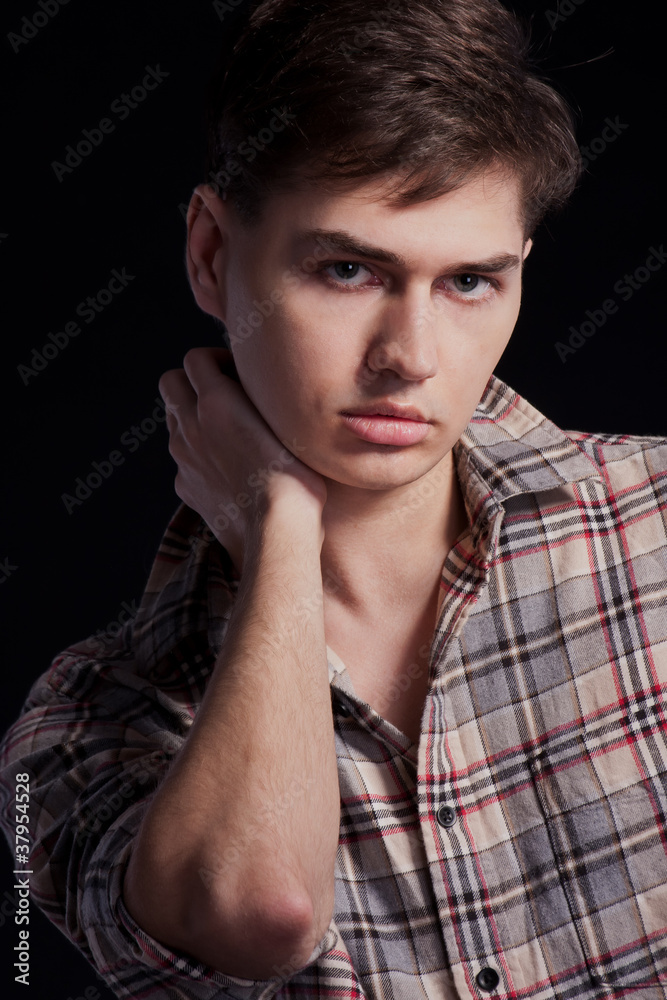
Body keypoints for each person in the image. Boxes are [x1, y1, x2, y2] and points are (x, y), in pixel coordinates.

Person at [2, 0, 667, 997]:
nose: (408, 356)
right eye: (348, 269)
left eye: (470, 283)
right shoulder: (84, 721)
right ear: (214, 254)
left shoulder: (655, 520)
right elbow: (261, 914)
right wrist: (281, 529)